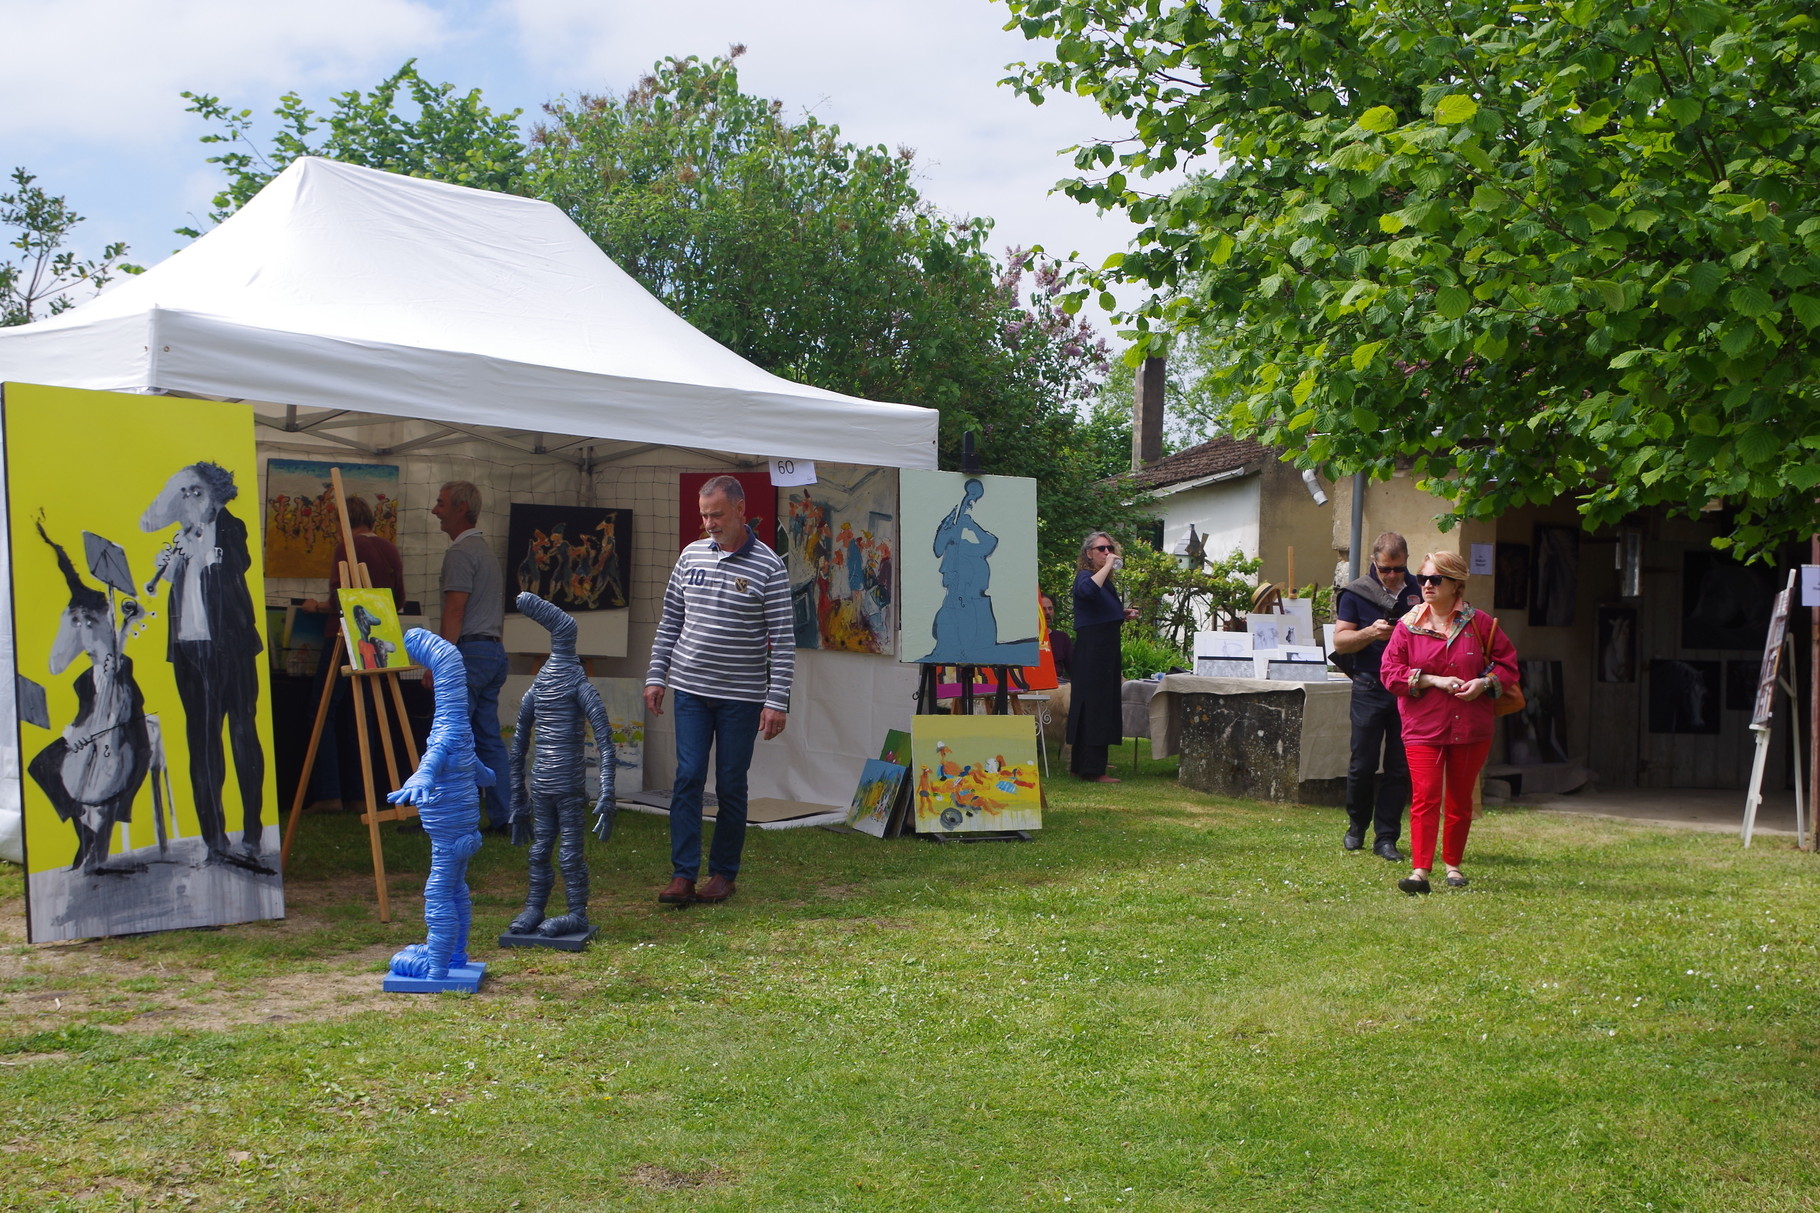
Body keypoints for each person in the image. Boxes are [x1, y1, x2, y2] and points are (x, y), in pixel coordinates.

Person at [644, 474, 794, 905]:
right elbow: (670, 620)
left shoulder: (769, 566)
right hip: (689, 689)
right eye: (704, 515)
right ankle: (682, 874)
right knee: (688, 777)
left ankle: (724, 873)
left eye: (717, 514)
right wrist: (657, 676)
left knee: (730, 783)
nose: (709, 523)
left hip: (742, 697)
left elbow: (782, 641)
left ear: (741, 509)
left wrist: (776, 700)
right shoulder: (690, 556)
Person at [140, 461, 269, 869]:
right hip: (188, 649)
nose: (190, 501)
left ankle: (251, 832)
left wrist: (201, 550)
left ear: (214, 494)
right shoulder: (180, 538)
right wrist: (174, 561)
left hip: (230, 647)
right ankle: (214, 838)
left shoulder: (231, 528)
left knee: (242, 733)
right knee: (201, 741)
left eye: (197, 492)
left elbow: (237, 566)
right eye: (185, 494)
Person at [1380, 550, 1518, 894]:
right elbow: (1389, 673)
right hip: (1422, 726)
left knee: (1459, 799)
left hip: (1470, 725)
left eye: (1435, 579)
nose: (1426, 585)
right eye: (1422, 578)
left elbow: (1508, 665)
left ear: (1455, 584)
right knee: (1426, 796)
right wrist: (1430, 680)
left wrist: (1483, 683)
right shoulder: (1408, 625)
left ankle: (1453, 866)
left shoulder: (1481, 624)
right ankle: (1420, 871)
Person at [299, 495, 406, 808]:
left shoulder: (346, 547)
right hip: (377, 639)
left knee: (323, 712)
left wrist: (316, 607)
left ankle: (329, 792)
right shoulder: (389, 549)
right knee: (365, 715)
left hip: (342, 636)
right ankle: (362, 794)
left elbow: (338, 599)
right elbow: (398, 599)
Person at [1331, 531, 1422, 861]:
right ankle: (1356, 827)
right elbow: (1341, 642)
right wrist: (1371, 633)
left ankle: (1387, 837)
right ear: (1374, 562)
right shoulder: (1356, 592)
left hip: (1408, 687)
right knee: (1363, 763)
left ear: (1406, 562)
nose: (1393, 575)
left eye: (1398, 569)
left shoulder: (1420, 589)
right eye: (1386, 569)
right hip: (1369, 684)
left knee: (1399, 767)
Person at [431, 480, 511, 831]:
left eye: (441, 503)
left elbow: (455, 610)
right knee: (488, 739)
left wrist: (440, 660)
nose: (435, 510)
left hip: (470, 653)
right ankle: (506, 816)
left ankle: (445, 817)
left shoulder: (461, 553)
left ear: (461, 509)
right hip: (492, 650)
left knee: (448, 736)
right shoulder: (487, 552)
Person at [1066, 532, 1138, 783]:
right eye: (1101, 549)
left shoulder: (1105, 582)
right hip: (1093, 649)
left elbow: (1100, 610)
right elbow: (1086, 592)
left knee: (1097, 704)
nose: (1107, 553)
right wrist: (1108, 566)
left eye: (1110, 548)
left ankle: (1082, 765)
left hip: (1104, 647)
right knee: (1094, 705)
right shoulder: (1086, 577)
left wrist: (1122, 613)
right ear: (1089, 554)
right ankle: (1092, 769)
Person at [1041, 592, 1074, 680]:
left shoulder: (1062, 638)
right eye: (1043, 609)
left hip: (1058, 686)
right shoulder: (1028, 639)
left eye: (1050, 608)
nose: (1047, 612)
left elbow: (1074, 669)